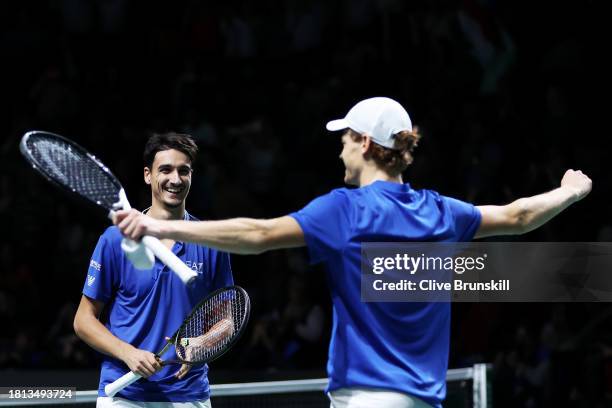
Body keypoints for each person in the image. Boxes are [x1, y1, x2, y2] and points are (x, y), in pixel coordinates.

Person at [114, 97, 592, 408]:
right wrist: (569, 192)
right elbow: (520, 216)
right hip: (426, 400)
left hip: (364, 398)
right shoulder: (442, 212)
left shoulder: (346, 210)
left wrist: (154, 225)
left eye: (344, 141)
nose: (340, 151)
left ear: (365, 144)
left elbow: (258, 234)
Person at [74, 132, 233, 408]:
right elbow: (83, 321)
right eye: (166, 170)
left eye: (184, 171)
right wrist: (128, 353)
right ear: (148, 175)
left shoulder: (211, 240)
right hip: (124, 395)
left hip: (189, 394)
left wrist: (202, 344)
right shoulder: (115, 240)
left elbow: (228, 321)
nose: (175, 179)